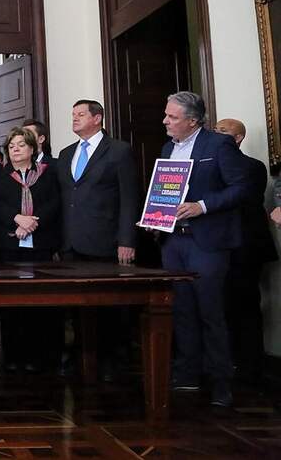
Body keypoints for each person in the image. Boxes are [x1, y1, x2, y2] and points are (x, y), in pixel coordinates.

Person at [159, 91, 248, 407]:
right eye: (166, 115)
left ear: (193, 120)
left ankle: (221, 381)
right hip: (174, 240)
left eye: (172, 117)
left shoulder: (218, 145)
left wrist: (203, 206)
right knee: (181, 310)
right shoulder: (168, 148)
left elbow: (242, 187)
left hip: (208, 241)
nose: (165, 121)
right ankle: (187, 375)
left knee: (211, 311)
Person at [56, 99, 139, 380]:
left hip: (105, 242)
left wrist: (126, 240)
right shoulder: (67, 153)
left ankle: (111, 364)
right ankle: (82, 361)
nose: (75, 119)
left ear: (97, 118)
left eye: (80, 114)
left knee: (109, 309)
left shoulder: (118, 151)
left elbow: (129, 199)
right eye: (73, 114)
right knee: (75, 306)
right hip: (70, 244)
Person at [0, 127, 60, 373]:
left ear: (32, 148)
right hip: (8, 246)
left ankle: (36, 358)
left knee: (38, 306)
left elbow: (54, 203)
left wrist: (31, 223)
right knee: (10, 306)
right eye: (11, 146)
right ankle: (12, 358)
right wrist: (17, 219)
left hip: (40, 246)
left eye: (20, 145)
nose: (15, 149)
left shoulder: (48, 175)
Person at [213, 118, 277, 384]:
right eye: (215, 130)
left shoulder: (252, 166)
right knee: (221, 304)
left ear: (238, 138)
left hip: (246, 245)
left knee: (246, 304)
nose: (217, 134)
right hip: (220, 245)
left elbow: (243, 199)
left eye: (223, 131)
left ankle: (250, 364)